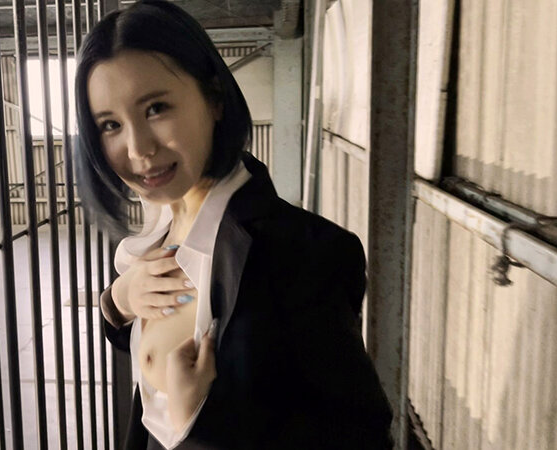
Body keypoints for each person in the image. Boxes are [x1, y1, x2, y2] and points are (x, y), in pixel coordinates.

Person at [74, 1, 393, 448]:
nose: (138, 148)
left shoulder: (303, 253)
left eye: (156, 108)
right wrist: (119, 302)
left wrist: (200, 424)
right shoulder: (160, 229)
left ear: (215, 99)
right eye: (110, 125)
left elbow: (360, 435)